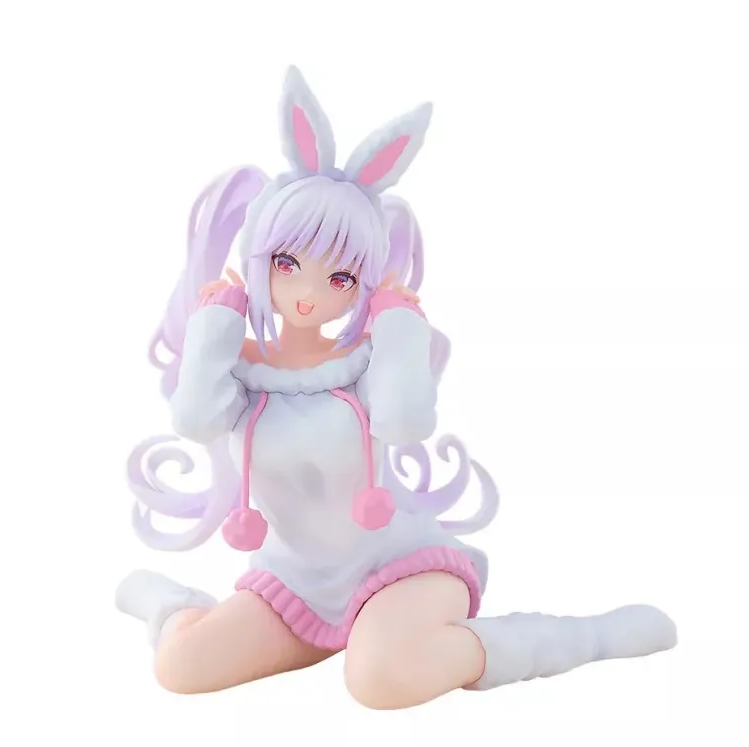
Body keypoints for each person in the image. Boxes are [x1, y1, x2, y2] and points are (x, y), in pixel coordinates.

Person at [116, 65, 677, 709]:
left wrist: (400, 327)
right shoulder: (234, 367)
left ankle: (588, 638)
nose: (307, 293)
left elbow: (406, 422)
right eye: (287, 264)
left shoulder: (365, 359)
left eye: (340, 278)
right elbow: (195, 419)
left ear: (364, 282)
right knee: (181, 667)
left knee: (382, 681)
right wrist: (215, 321)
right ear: (257, 259)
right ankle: (171, 605)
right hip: (293, 584)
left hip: (398, 566)